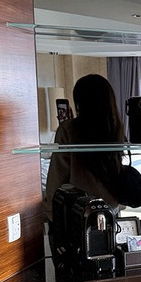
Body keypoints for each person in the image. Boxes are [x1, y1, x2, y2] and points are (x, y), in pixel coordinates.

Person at [43, 74, 127, 220]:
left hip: (79, 209)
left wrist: (51, 211)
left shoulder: (68, 130)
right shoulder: (115, 128)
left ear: (80, 102)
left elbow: (57, 177)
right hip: (110, 207)